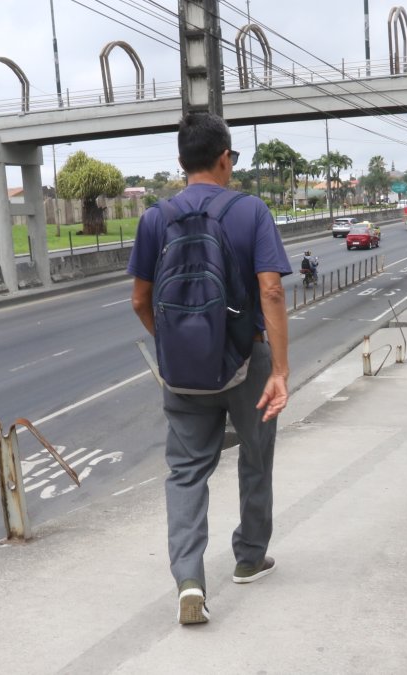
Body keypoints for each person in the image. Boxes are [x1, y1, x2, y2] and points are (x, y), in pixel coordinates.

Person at [128, 111, 292, 626]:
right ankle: (248, 557)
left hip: (182, 371)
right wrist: (280, 370)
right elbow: (270, 289)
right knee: (256, 457)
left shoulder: (155, 218)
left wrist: (177, 346)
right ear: (225, 159)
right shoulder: (250, 211)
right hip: (248, 359)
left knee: (185, 472)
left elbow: (139, 301)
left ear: (181, 163)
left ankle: (189, 579)